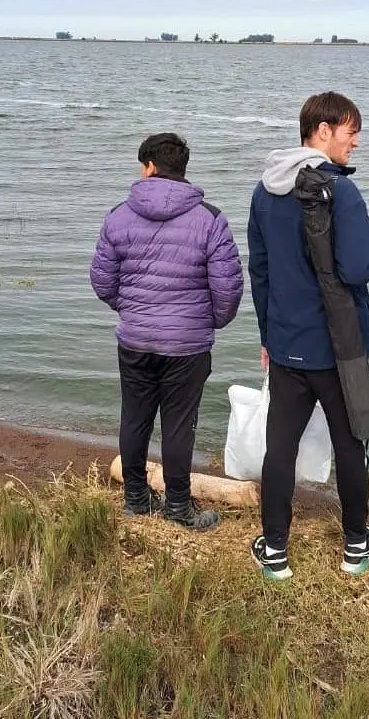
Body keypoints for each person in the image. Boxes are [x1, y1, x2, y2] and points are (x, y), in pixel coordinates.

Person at [247, 92, 369, 580]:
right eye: (351, 132)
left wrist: (268, 334)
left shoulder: (265, 192)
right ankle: (354, 547)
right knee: (351, 445)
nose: (356, 142)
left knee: (278, 447)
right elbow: (359, 266)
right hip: (340, 347)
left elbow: (259, 272)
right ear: (321, 131)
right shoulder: (340, 191)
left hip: (286, 344)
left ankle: (275, 550)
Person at [90, 133, 243, 531]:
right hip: (187, 345)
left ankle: (136, 498)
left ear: (149, 167)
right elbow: (228, 292)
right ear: (182, 169)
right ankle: (178, 506)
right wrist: (207, 323)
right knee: (179, 424)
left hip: (135, 338)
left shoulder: (118, 215)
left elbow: (102, 282)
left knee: (135, 417)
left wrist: (131, 310)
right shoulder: (211, 219)